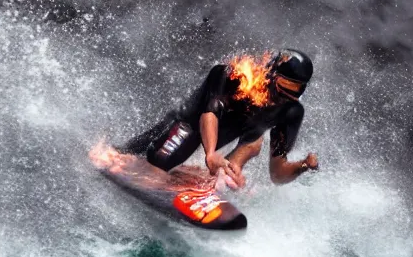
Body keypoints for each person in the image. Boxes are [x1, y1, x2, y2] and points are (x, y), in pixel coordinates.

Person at [120, 48, 320, 189]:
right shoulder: (235, 76)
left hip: (223, 144)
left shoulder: (291, 111)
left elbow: (277, 174)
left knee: (251, 146)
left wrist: (303, 166)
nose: (286, 96)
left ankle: (196, 178)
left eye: (296, 89)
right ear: (270, 73)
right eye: (285, 84)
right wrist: (210, 154)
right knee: (157, 164)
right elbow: (210, 113)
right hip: (188, 126)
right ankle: (125, 156)